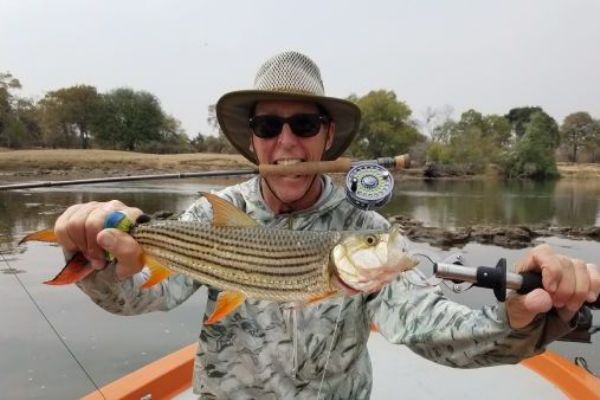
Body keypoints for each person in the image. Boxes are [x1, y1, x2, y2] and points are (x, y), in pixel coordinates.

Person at [54, 51, 600, 399]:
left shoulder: (365, 229)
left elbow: (425, 322)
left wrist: (517, 322)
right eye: (269, 125)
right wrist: (100, 261)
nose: (286, 142)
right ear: (252, 141)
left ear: (327, 134)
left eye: (304, 123)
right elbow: (142, 297)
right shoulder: (210, 215)